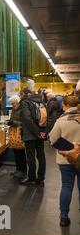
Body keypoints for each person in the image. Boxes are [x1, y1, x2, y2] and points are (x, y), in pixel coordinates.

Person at [48, 96, 80, 227]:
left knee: (66, 186)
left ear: (65, 105)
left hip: (65, 158)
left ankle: (64, 217)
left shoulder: (61, 120)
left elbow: (53, 139)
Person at [19, 88, 46, 187]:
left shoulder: (25, 102)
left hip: (30, 133)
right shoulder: (41, 100)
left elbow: (27, 118)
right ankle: (41, 179)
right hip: (41, 132)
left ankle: (31, 178)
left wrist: (36, 132)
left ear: (23, 94)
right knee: (41, 156)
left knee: (31, 157)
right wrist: (42, 132)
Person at [7, 95, 27, 178]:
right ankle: (18, 169)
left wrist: (13, 123)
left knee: (21, 152)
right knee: (16, 152)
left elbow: (23, 122)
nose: (13, 105)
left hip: (19, 133)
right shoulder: (14, 110)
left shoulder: (23, 110)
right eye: (12, 104)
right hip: (14, 133)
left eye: (14, 103)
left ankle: (23, 170)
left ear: (18, 103)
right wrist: (10, 122)